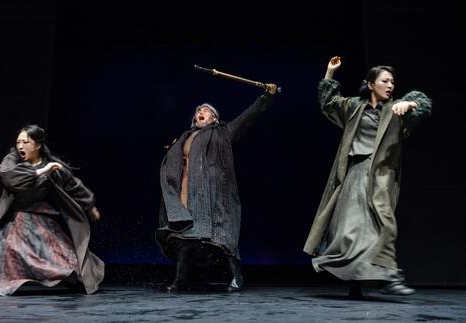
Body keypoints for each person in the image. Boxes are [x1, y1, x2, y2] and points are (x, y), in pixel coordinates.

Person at [303, 56, 432, 297]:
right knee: (350, 229)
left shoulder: (397, 109)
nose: (390, 85)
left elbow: (422, 103)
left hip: (381, 175)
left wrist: (410, 104)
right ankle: (355, 284)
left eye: (393, 82)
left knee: (381, 224)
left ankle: (390, 274)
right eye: (385, 81)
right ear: (371, 84)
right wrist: (330, 72)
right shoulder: (355, 107)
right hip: (355, 174)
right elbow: (329, 102)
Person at [0, 124, 104, 296]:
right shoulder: (12, 161)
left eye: (26, 142)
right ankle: (2, 284)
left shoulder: (53, 167)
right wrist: (43, 170)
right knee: (1, 251)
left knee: (64, 260)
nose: (20, 146)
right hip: (15, 219)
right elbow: (10, 178)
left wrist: (89, 205)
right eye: (18, 142)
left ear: (37, 145)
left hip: (42, 220)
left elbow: (73, 186)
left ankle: (80, 279)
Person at [155, 83, 277, 292]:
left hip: (214, 193)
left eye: (205, 110)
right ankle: (180, 280)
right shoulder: (185, 136)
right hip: (187, 191)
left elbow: (248, 117)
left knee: (221, 237)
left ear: (214, 118)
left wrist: (266, 97)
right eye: (197, 111)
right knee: (184, 238)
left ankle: (237, 278)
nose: (199, 112)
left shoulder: (223, 132)